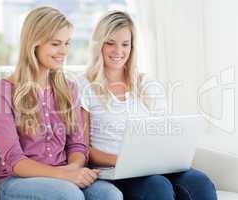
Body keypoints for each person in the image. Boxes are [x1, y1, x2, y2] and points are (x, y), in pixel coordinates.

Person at [79, 10, 218, 200]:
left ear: (132, 46)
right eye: (110, 43)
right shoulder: (83, 86)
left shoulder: (146, 83)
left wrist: (171, 154)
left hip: (154, 165)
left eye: (125, 44)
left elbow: (164, 131)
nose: (118, 51)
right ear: (98, 45)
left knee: (200, 182)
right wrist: (125, 161)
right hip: (114, 170)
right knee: (157, 187)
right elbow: (82, 147)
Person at [0, 6, 123, 200]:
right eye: (55, 44)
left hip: (64, 174)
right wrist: (65, 176)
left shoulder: (69, 88)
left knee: (109, 194)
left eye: (67, 43)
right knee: (68, 194)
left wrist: (73, 169)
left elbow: (77, 146)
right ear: (34, 44)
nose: (63, 51)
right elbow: (14, 161)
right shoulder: (2, 91)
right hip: (18, 181)